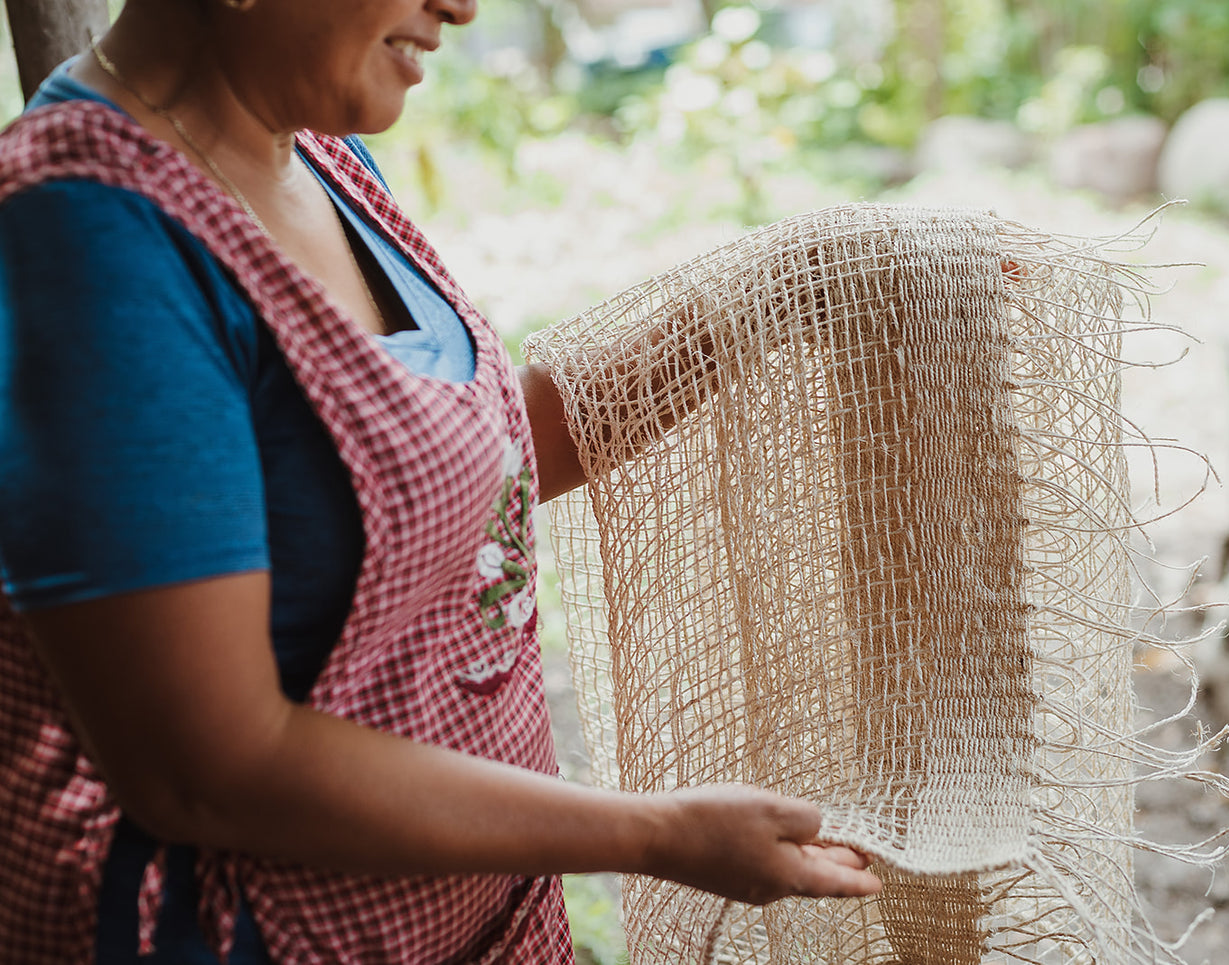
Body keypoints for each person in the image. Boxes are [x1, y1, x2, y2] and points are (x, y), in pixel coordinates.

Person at [0, 0, 882, 961]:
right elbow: (206, 766)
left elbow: (463, 473)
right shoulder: (87, 241)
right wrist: (654, 831)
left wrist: (800, 288)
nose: (462, 6)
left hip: (471, 924)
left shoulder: (313, 155)